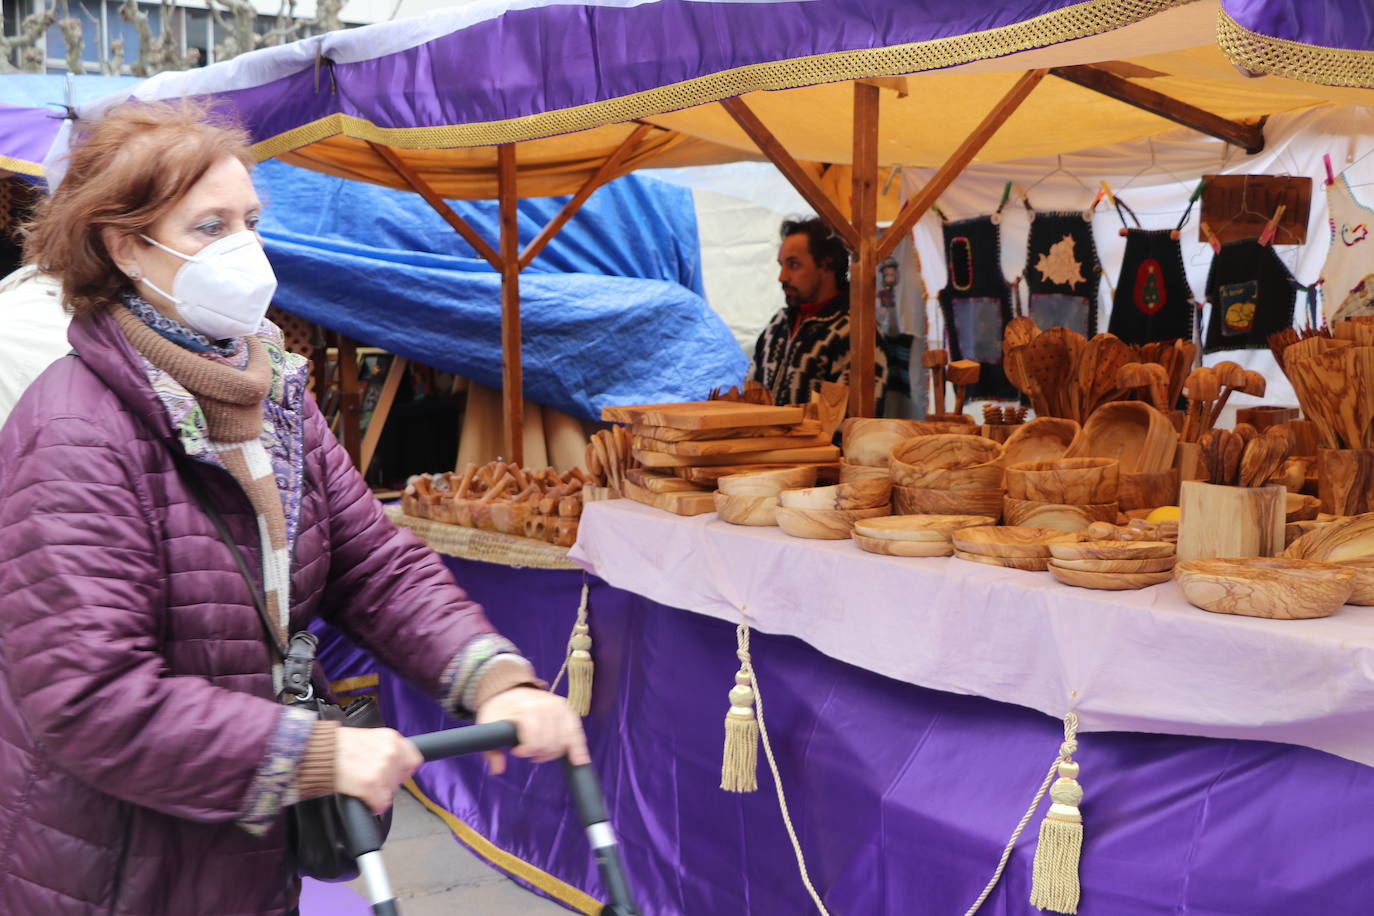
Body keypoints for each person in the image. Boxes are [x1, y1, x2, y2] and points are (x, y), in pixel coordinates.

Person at [0, 102, 588, 916]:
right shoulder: (76, 431)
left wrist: (493, 678)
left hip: (243, 844)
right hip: (119, 865)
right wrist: (306, 752)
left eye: (250, 219)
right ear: (123, 245)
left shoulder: (274, 392)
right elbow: (87, 694)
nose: (245, 246)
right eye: (210, 227)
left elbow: (373, 564)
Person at [746, 216, 888, 407]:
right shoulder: (778, 324)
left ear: (826, 265)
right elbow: (751, 392)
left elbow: (853, 421)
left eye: (793, 264)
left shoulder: (856, 331)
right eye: (782, 265)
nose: (782, 277)